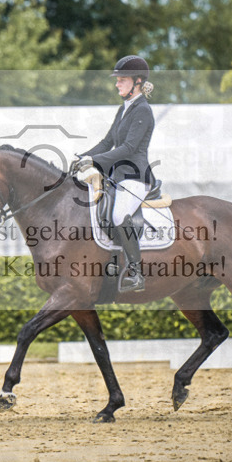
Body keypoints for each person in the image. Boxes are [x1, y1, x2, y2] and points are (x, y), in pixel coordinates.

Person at [72, 55, 156, 292]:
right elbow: (107, 141)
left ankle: (136, 273)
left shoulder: (143, 110)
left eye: (122, 80)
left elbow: (128, 148)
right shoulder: (124, 109)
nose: (117, 84)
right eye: (117, 80)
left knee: (119, 216)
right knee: (98, 211)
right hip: (117, 177)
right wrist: (82, 157)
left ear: (137, 82)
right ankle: (111, 263)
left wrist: (94, 161)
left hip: (136, 177)